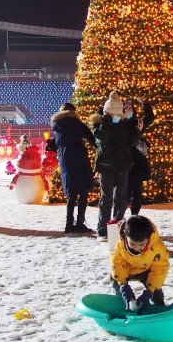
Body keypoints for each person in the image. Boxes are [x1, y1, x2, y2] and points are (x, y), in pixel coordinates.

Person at [92, 91, 140, 243]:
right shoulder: (99, 123)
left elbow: (131, 142)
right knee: (106, 198)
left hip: (122, 164)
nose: (117, 116)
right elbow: (103, 137)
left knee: (121, 197)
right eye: (114, 113)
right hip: (106, 165)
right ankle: (102, 230)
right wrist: (107, 120)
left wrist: (137, 130)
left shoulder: (123, 125)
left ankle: (118, 225)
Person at [52, 102, 96, 233]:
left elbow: (56, 144)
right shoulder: (76, 123)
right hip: (78, 157)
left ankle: (69, 224)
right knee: (83, 192)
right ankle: (80, 223)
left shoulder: (56, 125)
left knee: (71, 193)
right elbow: (91, 138)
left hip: (65, 159)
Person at [111, 215, 170, 313]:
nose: (137, 248)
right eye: (132, 244)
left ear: (148, 238)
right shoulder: (120, 245)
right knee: (115, 278)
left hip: (146, 270)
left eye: (141, 244)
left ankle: (158, 305)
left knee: (156, 286)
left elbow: (160, 269)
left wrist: (149, 291)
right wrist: (123, 285)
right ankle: (123, 302)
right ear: (126, 236)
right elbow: (117, 263)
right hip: (127, 269)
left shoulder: (157, 248)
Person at [126, 97, 155, 215]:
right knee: (133, 191)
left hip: (130, 162)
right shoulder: (137, 123)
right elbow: (150, 117)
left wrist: (144, 103)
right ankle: (133, 214)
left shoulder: (124, 124)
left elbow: (149, 118)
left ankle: (131, 215)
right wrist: (144, 103)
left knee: (130, 191)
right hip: (134, 162)